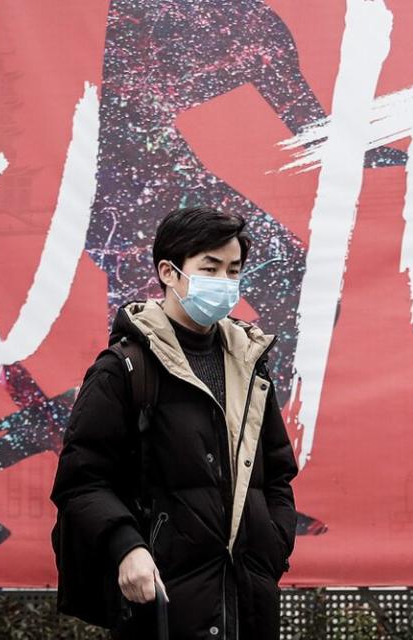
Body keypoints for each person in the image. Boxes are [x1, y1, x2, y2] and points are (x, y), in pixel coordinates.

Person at [51, 206, 299, 639]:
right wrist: (126, 547)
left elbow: (276, 474)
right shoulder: (124, 368)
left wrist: (271, 545)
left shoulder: (249, 365)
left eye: (233, 269)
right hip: (163, 600)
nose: (224, 282)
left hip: (249, 599)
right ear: (168, 272)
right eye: (210, 268)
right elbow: (82, 480)